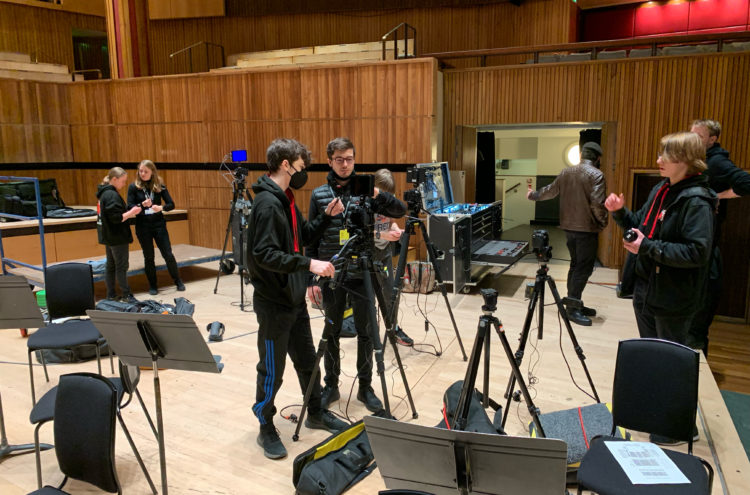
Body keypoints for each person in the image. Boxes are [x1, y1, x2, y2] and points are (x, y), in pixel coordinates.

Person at [248, 138, 347, 460]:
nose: (305, 172)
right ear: (286, 165)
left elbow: (301, 237)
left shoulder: (287, 198)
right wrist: (309, 263)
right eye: (301, 166)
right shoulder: (266, 204)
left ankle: (316, 411)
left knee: (307, 363)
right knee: (272, 371)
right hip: (274, 303)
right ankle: (265, 425)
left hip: (293, 298)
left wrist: (327, 217)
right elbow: (263, 254)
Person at [306, 137, 406, 413]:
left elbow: (400, 210)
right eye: (339, 159)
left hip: (363, 270)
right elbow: (310, 238)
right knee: (332, 332)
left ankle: (365, 387)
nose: (345, 164)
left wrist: (378, 195)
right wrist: (310, 281)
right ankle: (331, 385)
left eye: (349, 158)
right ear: (329, 161)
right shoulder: (319, 195)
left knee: (366, 332)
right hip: (331, 272)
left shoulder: (367, 191)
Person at [605, 132, 716, 350]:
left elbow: (696, 252)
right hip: (646, 290)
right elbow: (639, 225)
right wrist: (619, 212)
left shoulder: (696, 202)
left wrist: (646, 247)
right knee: (651, 352)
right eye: (660, 155)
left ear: (686, 160)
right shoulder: (661, 189)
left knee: (668, 356)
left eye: (666, 156)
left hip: (672, 298)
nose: (658, 161)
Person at [526, 141, 608, 326]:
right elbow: (597, 204)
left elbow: (550, 191)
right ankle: (572, 307)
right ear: (597, 158)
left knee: (575, 265)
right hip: (586, 228)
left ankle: (573, 301)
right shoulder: (597, 175)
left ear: (581, 155)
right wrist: (603, 222)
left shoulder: (566, 172)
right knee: (583, 268)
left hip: (568, 228)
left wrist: (533, 195)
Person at [687, 119, 750, 353]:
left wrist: (717, 196)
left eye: (700, 137)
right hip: (697, 238)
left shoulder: (717, 161)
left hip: (706, 242)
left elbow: (746, 182)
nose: (694, 140)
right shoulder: (700, 160)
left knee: (699, 314)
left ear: (712, 139)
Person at [127, 160, 185, 295]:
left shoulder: (159, 186)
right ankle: (153, 285)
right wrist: (141, 205)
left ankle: (178, 281)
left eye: (145, 171)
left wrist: (161, 208)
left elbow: (171, 204)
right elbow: (129, 206)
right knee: (149, 256)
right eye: (140, 171)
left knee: (168, 254)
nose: (142, 174)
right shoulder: (133, 187)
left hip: (159, 225)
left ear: (152, 172)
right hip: (143, 226)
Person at [373, 168, 413, 346]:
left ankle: (393, 328)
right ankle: (370, 334)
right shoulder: (365, 204)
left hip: (385, 252)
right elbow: (361, 232)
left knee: (392, 292)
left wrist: (395, 229)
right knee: (370, 297)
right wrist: (382, 235)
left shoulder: (388, 203)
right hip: (370, 252)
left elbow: (388, 222)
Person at [96, 167, 142, 302]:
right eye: (122, 181)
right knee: (121, 266)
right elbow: (116, 218)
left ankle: (111, 294)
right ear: (114, 179)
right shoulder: (111, 195)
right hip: (117, 237)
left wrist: (132, 208)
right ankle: (127, 294)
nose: (124, 184)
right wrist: (132, 213)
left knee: (111, 266)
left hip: (109, 236)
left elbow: (116, 211)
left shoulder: (105, 193)